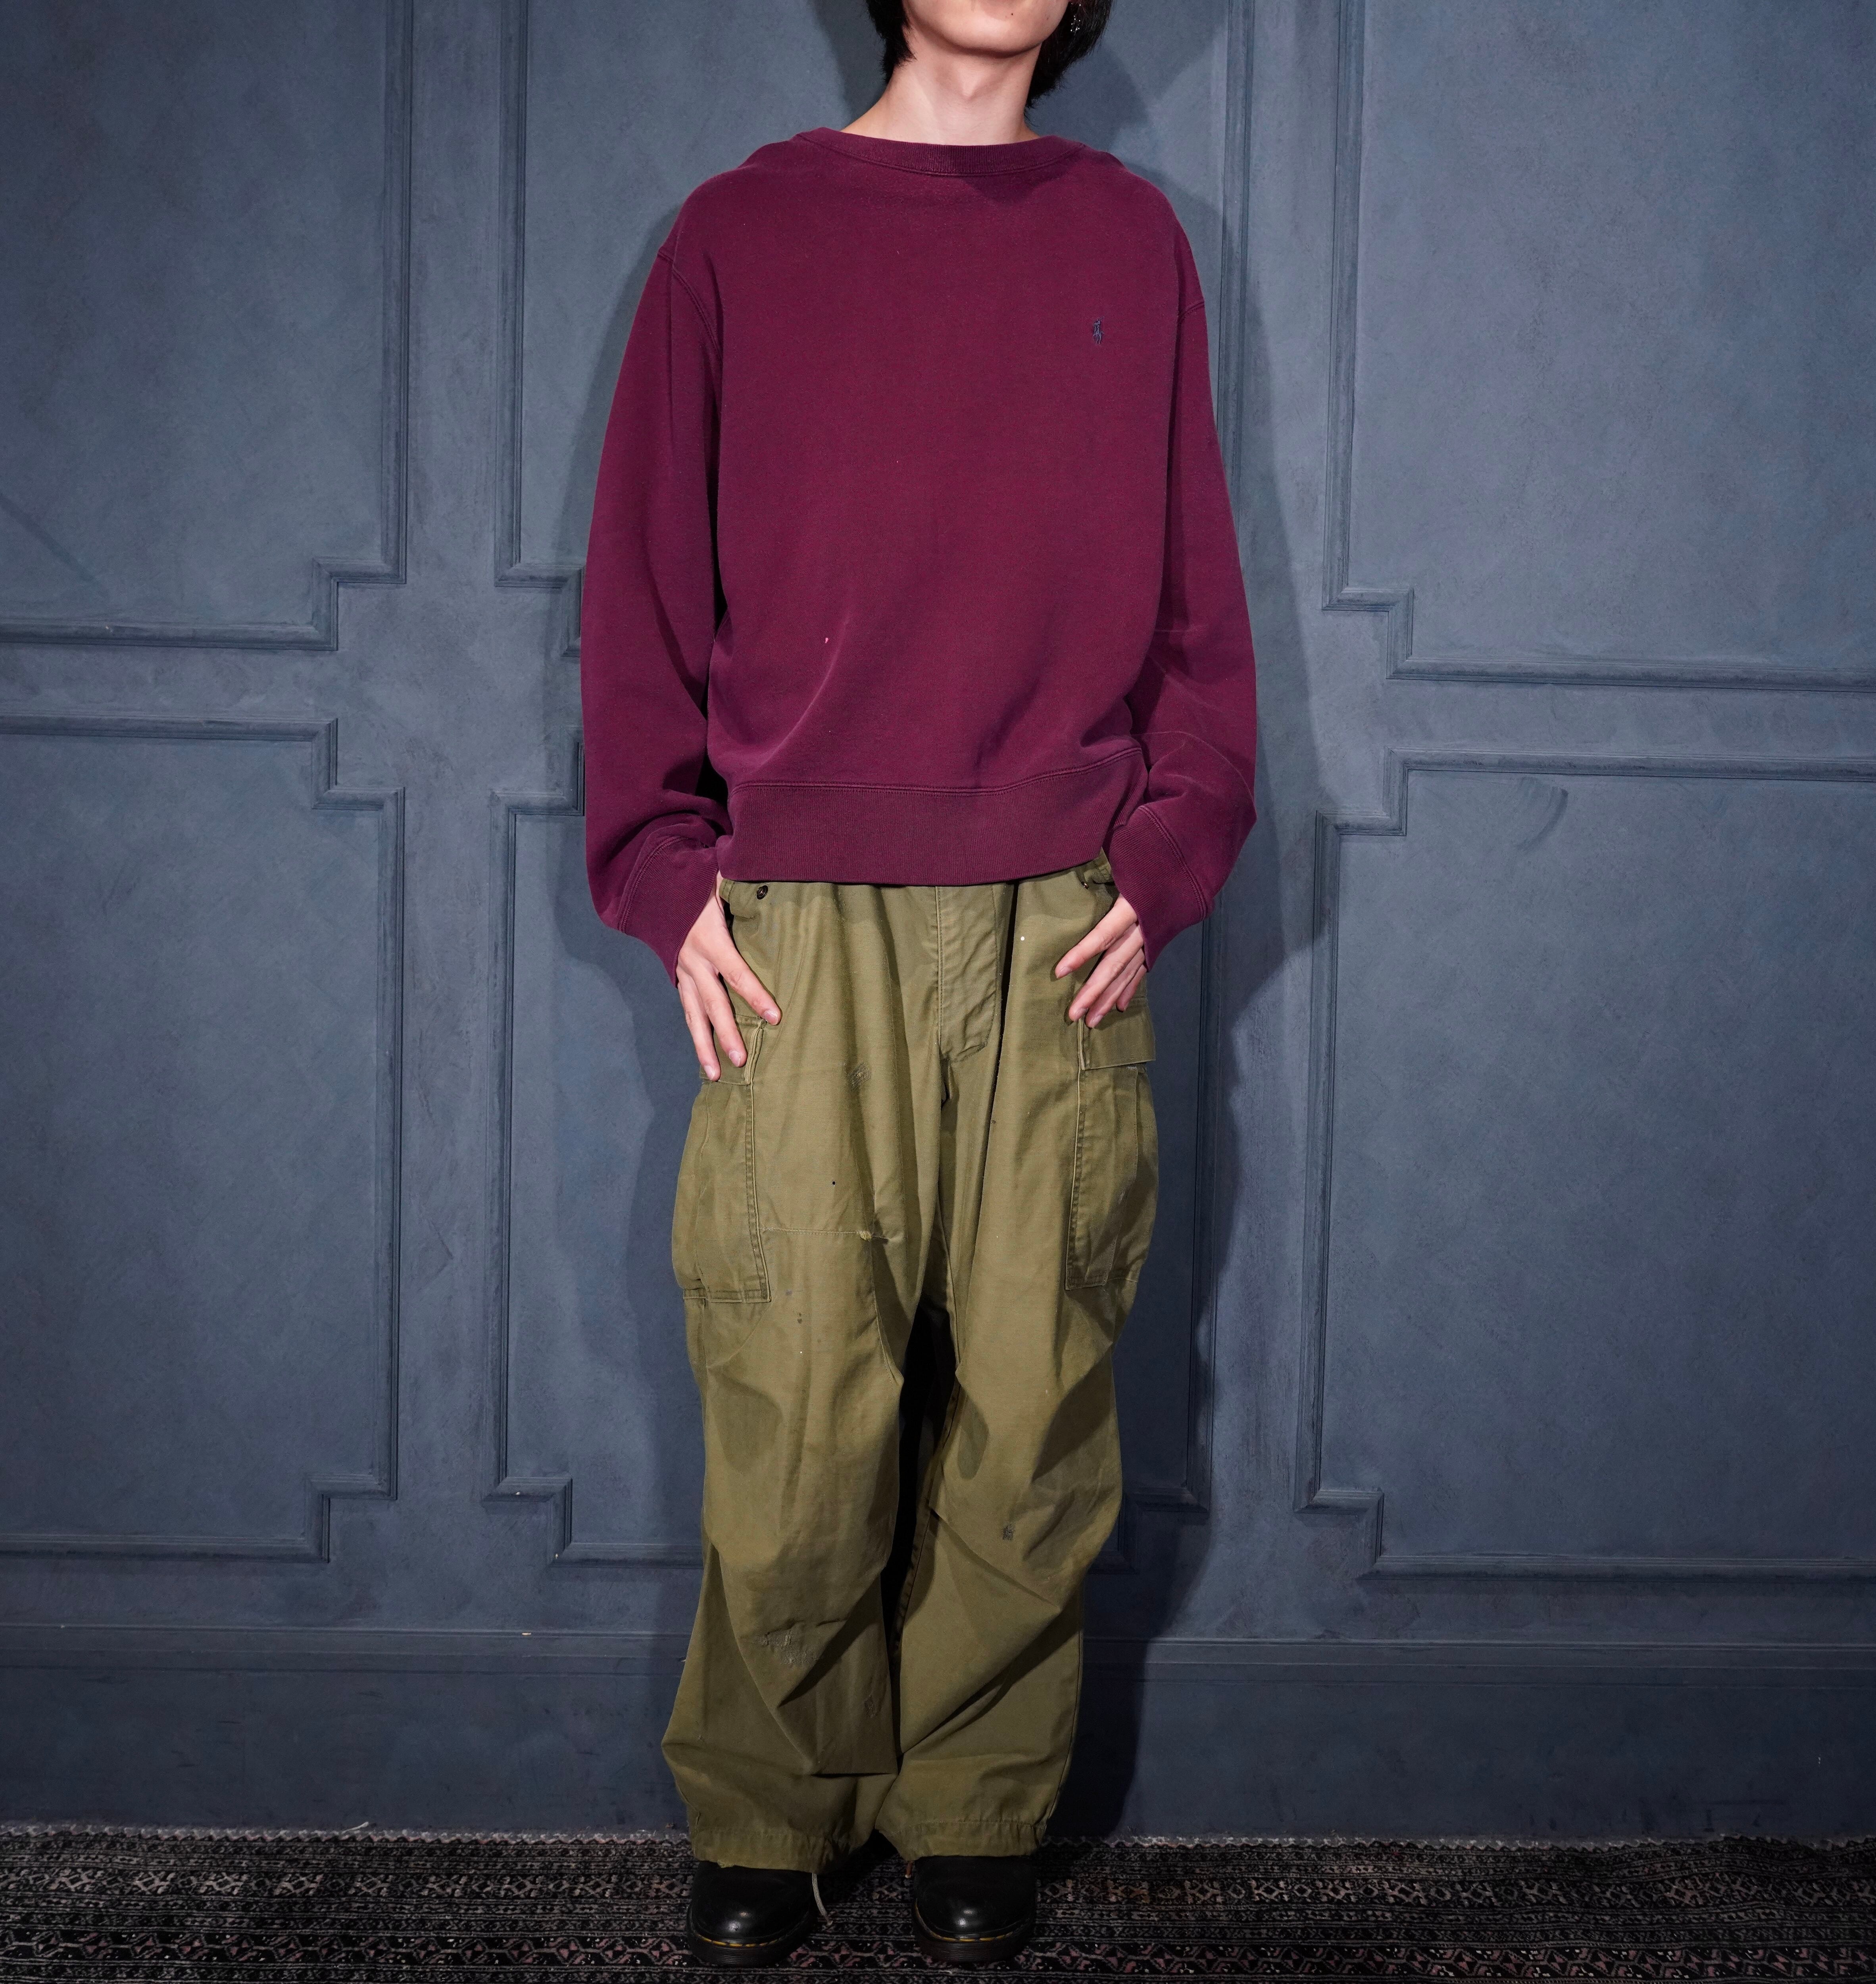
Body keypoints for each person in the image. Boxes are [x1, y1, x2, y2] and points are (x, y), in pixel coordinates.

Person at [579, 0, 1256, 1965]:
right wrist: (663, 867)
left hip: (1058, 909)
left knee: (1033, 1398)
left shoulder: (1131, 240)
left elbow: (1200, 606)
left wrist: (1169, 847)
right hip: (802, 913)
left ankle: (976, 1804)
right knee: (798, 1388)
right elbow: (639, 588)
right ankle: (765, 1807)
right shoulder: (737, 233)